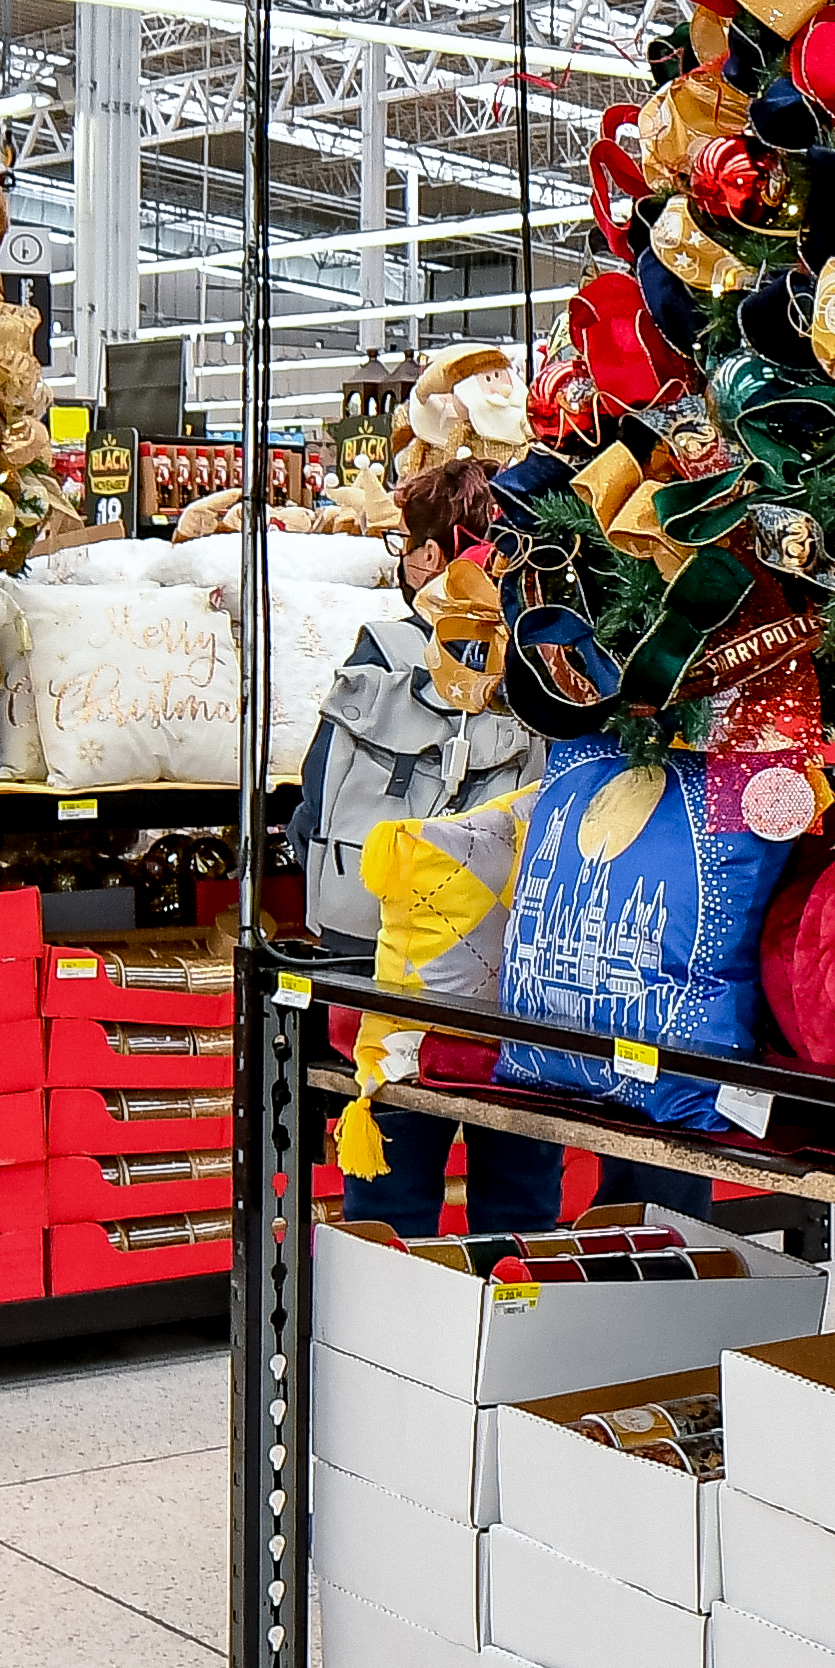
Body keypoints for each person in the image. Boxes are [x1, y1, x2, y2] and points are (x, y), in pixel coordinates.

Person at [288, 455, 562, 1238]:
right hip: (510, 966)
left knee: (391, 1183)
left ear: (433, 557)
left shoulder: (382, 646)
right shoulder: (545, 654)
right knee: (518, 1185)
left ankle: (386, 1338)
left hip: (382, 959)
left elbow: (315, 802)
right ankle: (507, 1321)